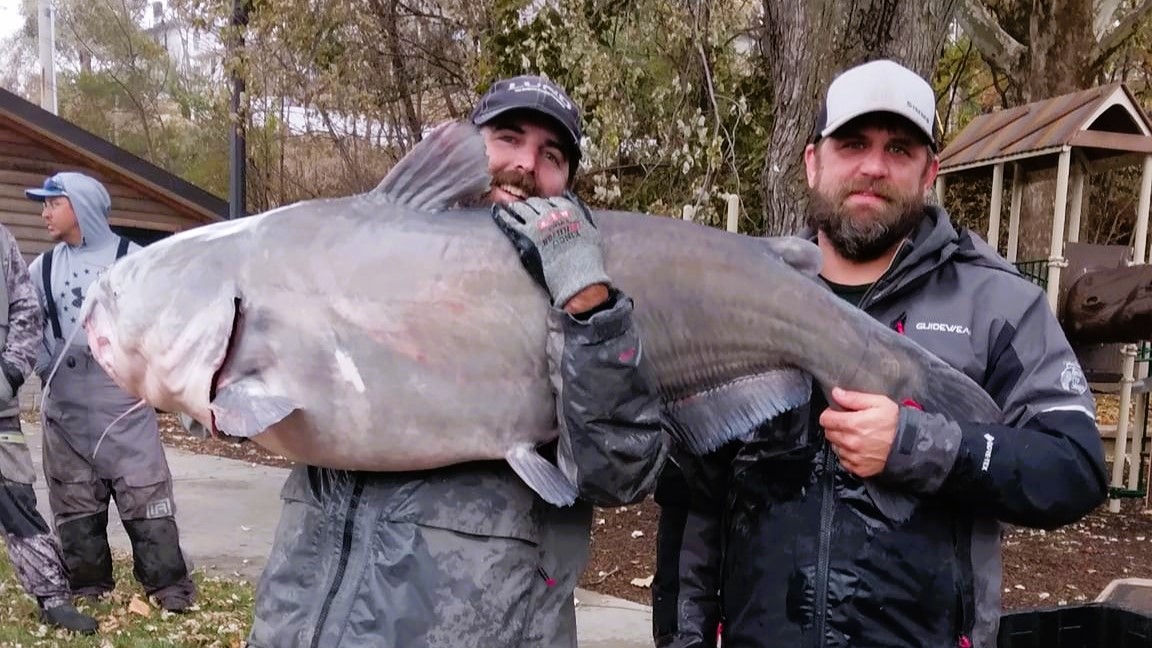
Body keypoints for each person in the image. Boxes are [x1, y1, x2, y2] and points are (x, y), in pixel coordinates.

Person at [651, 59, 1108, 648]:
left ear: (929, 173)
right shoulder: (738, 296)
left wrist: (916, 445)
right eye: (853, 144)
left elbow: (1074, 467)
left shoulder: (999, 304)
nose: (873, 166)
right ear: (813, 161)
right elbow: (691, 499)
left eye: (899, 148)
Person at [247, 75, 669, 648]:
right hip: (303, 623)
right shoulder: (356, 252)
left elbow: (623, 471)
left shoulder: (598, 292)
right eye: (508, 138)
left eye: (551, 155)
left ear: (567, 180)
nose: (524, 164)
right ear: (470, 146)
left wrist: (587, 305)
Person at [25, 172, 198, 612]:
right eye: (42, 205)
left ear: (79, 205)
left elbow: (169, 327)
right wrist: (39, 365)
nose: (44, 213)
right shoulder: (41, 268)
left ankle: (168, 586)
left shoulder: (134, 261)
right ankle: (88, 584)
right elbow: (26, 326)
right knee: (73, 496)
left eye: (52, 203)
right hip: (63, 405)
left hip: (123, 404)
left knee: (146, 493)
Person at [0, 220, 98, 633]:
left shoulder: (2, 239)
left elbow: (26, 310)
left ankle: (53, 598)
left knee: (18, 501)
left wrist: (8, 375)